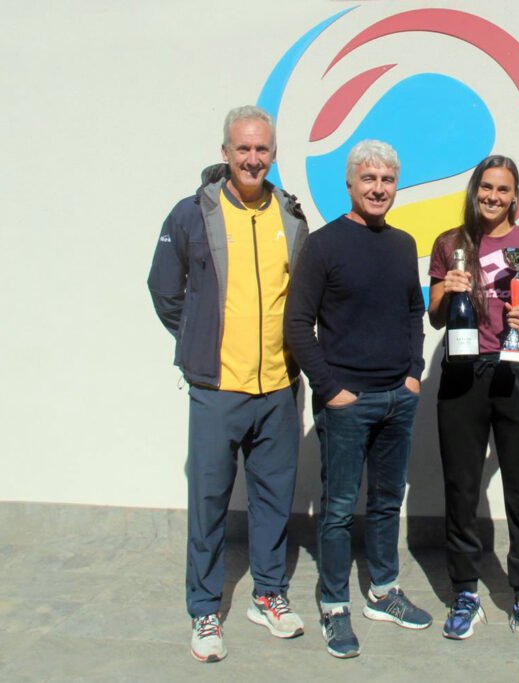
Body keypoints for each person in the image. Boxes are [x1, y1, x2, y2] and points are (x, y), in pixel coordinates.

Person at [147, 105, 308, 663]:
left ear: (273, 154)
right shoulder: (192, 214)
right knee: (210, 501)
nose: (252, 158)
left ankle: (268, 595)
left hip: (280, 386)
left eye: (262, 149)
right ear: (224, 153)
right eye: (242, 148)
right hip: (218, 389)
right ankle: (204, 610)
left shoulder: (290, 215)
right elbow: (165, 290)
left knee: (271, 499)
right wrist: (199, 341)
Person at [283, 139, 431, 659]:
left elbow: (414, 312)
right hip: (347, 401)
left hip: (398, 397)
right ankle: (333, 605)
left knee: (388, 502)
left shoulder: (401, 242)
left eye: (387, 180)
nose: (378, 188)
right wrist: (332, 390)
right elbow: (298, 325)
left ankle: (383, 591)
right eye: (369, 179)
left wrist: (413, 375)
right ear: (350, 184)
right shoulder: (323, 245)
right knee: (340, 509)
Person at [427, 155, 519, 647]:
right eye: (486, 187)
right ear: (474, 189)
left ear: (515, 196)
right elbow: (437, 316)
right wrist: (448, 291)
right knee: (461, 489)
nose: (493, 197)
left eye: (503, 189)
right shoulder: (449, 244)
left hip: (517, 369)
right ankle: (464, 592)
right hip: (463, 372)